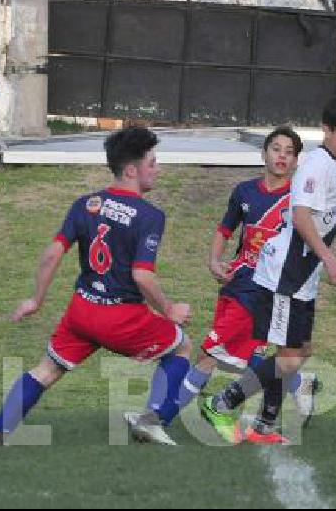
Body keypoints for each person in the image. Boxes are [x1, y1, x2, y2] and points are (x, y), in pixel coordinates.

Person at [0, 127, 193, 447]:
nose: (158, 169)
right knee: (181, 347)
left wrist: (36, 300)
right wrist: (169, 309)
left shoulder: (86, 204)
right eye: (152, 163)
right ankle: (151, 420)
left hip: (81, 310)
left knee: (46, 370)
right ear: (131, 170)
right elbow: (142, 276)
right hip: (121, 317)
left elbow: (52, 253)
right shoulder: (150, 215)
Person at [123, 127, 321, 437]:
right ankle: (298, 383)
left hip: (262, 290)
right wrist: (214, 261)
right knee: (247, 357)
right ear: (263, 153)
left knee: (208, 355)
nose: (282, 155)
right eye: (276, 149)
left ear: (296, 161)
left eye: (289, 152)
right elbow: (225, 230)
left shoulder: (298, 199)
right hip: (236, 283)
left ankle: (157, 420)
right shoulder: (244, 191)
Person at [200, 96, 336, 445]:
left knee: (297, 352)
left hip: (302, 276)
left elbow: (322, 228)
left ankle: (262, 425)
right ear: (327, 129)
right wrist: (332, 261)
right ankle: (221, 403)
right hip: (284, 276)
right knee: (289, 359)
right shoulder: (316, 166)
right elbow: (302, 217)